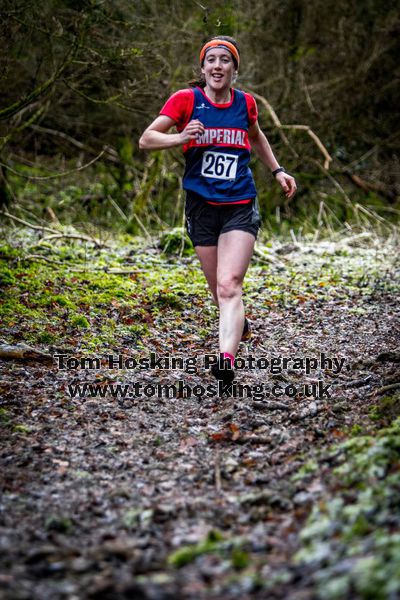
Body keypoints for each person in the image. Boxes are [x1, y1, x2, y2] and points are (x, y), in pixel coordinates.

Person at [139, 35, 296, 388]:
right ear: (202, 68)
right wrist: (180, 138)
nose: (217, 66)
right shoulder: (186, 101)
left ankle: (225, 361)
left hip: (240, 203)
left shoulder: (246, 104)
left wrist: (278, 170)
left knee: (229, 286)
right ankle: (237, 323)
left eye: (225, 60)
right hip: (201, 207)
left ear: (234, 69)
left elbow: (255, 136)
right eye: (211, 60)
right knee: (218, 290)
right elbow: (146, 139)